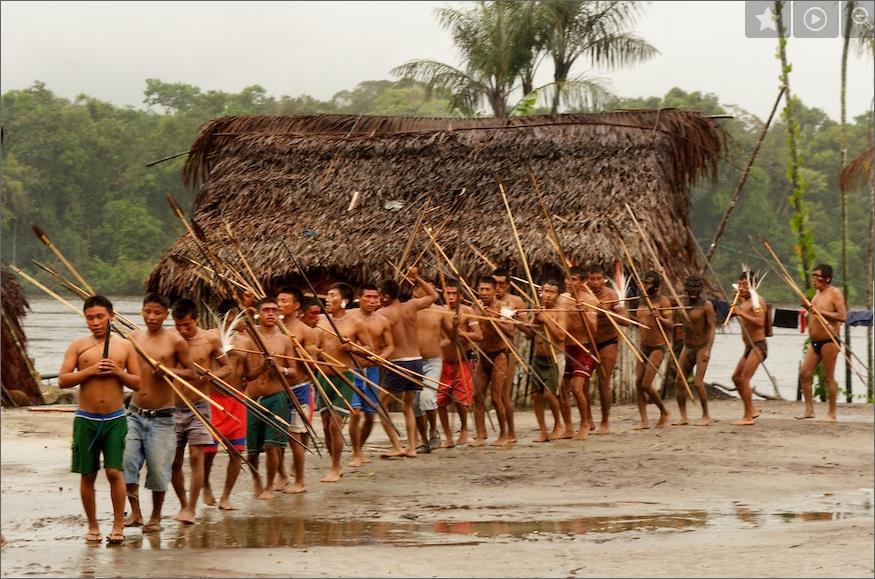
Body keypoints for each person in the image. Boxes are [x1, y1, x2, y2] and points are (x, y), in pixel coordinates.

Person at [58, 295, 141, 544]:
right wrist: (89, 371)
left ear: (111, 316)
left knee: (115, 472)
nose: (95, 322)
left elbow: (137, 382)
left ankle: (118, 525)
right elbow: (63, 380)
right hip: (86, 418)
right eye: (90, 318)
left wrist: (118, 372)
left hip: (115, 418)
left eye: (100, 317)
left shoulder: (124, 346)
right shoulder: (78, 345)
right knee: (87, 474)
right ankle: (93, 526)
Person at [123, 294, 198, 534]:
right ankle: (135, 513)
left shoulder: (175, 340)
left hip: (163, 417)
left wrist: (169, 370)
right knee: (126, 462)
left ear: (166, 315)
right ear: (141, 311)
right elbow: (124, 366)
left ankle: (155, 517)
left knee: (158, 469)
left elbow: (192, 372)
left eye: (157, 313)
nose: (151, 317)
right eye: (147, 312)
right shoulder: (133, 338)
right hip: (134, 413)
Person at [169, 298, 230, 524]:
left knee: (197, 458)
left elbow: (227, 366)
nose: (183, 331)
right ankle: (183, 503)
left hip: (199, 406)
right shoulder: (170, 339)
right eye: (178, 326)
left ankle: (191, 508)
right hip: (173, 407)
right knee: (174, 461)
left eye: (187, 325)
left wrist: (212, 376)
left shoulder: (210, 339)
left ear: (195, 319)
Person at [237, 297, 300, 499]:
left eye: (274, 310)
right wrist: (244, 302)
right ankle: (257, 480)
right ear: (258, 313)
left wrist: (279, 368)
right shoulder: (249, 335)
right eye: (266, 310)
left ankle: (269, 486)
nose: (271, 313)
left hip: (276, 397)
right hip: (253, 398)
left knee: (273, 445)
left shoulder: (284, 339)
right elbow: (234, 321)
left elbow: (295, 371)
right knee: (253, 450)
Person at [375, 268, 439, 457]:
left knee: (380, 405)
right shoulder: (411, 306)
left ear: (386, 296)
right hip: (416, 362)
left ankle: (397, 446)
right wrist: (417, 277)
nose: (377, 299)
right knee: (408, 406)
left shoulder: (382, 314)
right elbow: (434, 295)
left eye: (379, 296)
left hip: (400, 363)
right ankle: (411, 448)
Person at [315, 282, 374, 481]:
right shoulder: (320, 320)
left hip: (343, 377)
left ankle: (335, 466)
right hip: (323, 378)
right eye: (327, 295)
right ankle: (335, 463)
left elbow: (370, 349)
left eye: (332, 296)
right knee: (325, 425)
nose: (328, 299)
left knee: (335, 424)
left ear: (344, 301)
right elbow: (310, 346)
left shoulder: (355, 323)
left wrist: (353, 348)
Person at [202, 299, 247, 510]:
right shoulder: (209, 337)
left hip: (237, 401)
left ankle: (226, 496)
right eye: (238, 315)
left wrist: (268, 366)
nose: (241, 320)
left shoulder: (246, 342)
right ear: (227, 317)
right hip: (212, 399)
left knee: (236, 451)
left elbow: (249, 374)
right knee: (208, 451)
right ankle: (205, 483)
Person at [277, 286, 319, 494]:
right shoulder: (272, 326)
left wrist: (298, 350)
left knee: (296, 436)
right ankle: (282, 475)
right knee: (277, 436)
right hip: (278, 388)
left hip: (300, 388)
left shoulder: (305, 331)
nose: (280, 305)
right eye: (279, 301)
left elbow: (312, 364)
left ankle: (300, 480)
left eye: (285, 301)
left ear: (295, 306)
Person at [349, 283, 394, 467]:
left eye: (375, 297)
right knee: (355, 412)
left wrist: (381, 357)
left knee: (369, 415)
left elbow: (390, 345)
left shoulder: (382, 320)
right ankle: (356, 453)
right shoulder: (349, 317)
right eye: (368, 297)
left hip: (373, 370)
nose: (372, 301)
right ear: (359, 298)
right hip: (353, 370)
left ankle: (359, 447)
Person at [796, 264, 847, 422]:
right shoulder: (816, 295)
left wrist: (819, 310)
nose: (813, 279)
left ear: (827, 278)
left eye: (816, 276)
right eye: (812, 276)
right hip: (815, 341)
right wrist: (808, 306)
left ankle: (832, 414)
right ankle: (809, 410)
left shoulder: (835, 293)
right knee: (804, 373)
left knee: (828, 377)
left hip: (829, 341)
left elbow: (842, 316)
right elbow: (814, 312)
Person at [471, 276, 517, 447]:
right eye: (481, 289)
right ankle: (480, 435)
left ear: (494, 290)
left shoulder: (504, 307)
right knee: (477, 395)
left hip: (500, 355)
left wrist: (494, 320)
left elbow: (511, 330)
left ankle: (504, 434)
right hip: (483, 354)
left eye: (487, 290)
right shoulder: (475, 306)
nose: (483, 293)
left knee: (497, 397)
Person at [436, 279, 482, 448]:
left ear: (461, 296)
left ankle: (464, 430)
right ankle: (447, 435)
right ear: (443, 294)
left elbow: (479, 336)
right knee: (439, 400)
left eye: (455, 293)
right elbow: (440, 338)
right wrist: (450, 334)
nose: (451, 297)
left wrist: (460, 332)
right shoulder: (439, 312)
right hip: (443, 362)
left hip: (463, 361)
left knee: (461, 399)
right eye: (448, 293)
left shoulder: (467, 311)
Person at [585, 264, 630, 435]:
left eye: (599, 279)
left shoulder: (610, 295)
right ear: (587, 279)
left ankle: (605, 421)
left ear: (603, 279)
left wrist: (609, 312)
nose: (595, 283)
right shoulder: (581, 295)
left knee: (604, 382)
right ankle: (587, 419)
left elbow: (625, 320)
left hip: (607, 341)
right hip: (587, 342)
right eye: (592, 279)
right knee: (582, 383)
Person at [557, 268, 598, 440]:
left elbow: (593, 330)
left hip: (583, 348)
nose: (568, 282)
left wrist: (583, 314)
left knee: (577, 388)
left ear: (582, 283)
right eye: (566, 279)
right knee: (562, 390)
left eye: (573, 279)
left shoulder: (589, 301)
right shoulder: (562, 299)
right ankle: (568, 427)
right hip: (565, 348)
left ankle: (584, 423)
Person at [524, 280, 566, 442]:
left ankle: (558, 425)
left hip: (554, 358)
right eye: (545, 291)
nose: (547, 296)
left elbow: (561, 336)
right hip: (538, 358)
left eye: (552, 292)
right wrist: (535, 319)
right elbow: (529, 335)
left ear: (557, 295)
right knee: (536, 395)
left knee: (550, 394)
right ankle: (543, 430)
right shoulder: (536, 309)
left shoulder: (560, 312)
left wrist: (546, 319)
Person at [727, 271, 769, 426]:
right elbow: (734, 313)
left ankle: (747, 417)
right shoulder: (744, 302)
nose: (742, 288)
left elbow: (760, 322)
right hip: (748, 346)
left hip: (758, 345)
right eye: (740, 284)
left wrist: (740, 313)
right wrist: (735, 308)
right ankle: (751, 408)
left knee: (744, 378)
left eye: (745, 285)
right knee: (736, 378)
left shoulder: (757, 301)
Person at [632, 272, 672, 429]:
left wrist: (660, 318)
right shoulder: (640, 302)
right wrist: (627, 317)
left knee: (646, 384)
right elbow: (639, 323)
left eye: (647, 283)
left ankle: (664, 411)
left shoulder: (663, 301)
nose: (644, 286)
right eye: (643, 282)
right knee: (638, 382)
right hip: (643, 346)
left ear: (655, 286)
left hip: (658, 346)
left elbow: (670, 324)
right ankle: (644, 420)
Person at [674, 275, 715, 426]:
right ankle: (683, 416)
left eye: (695, 290)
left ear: (700, 290)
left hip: (702, 347)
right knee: (679, 380)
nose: (692, 293)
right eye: (689, 290)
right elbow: (664, 301)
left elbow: (711, 328)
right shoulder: (681, 301)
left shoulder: (706, 305)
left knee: (698, 383)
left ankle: (706, 415)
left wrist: (708, 349)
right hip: (688, 346)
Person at [413, 278, 443, 453]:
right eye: (421, 288)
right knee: (416, 404)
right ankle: (423, 440)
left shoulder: (440, 311)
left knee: (427, 397)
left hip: (432, 361)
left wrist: (455, 327)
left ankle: (433, 431)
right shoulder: (410, 309)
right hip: (414, 361)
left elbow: (452, 336)